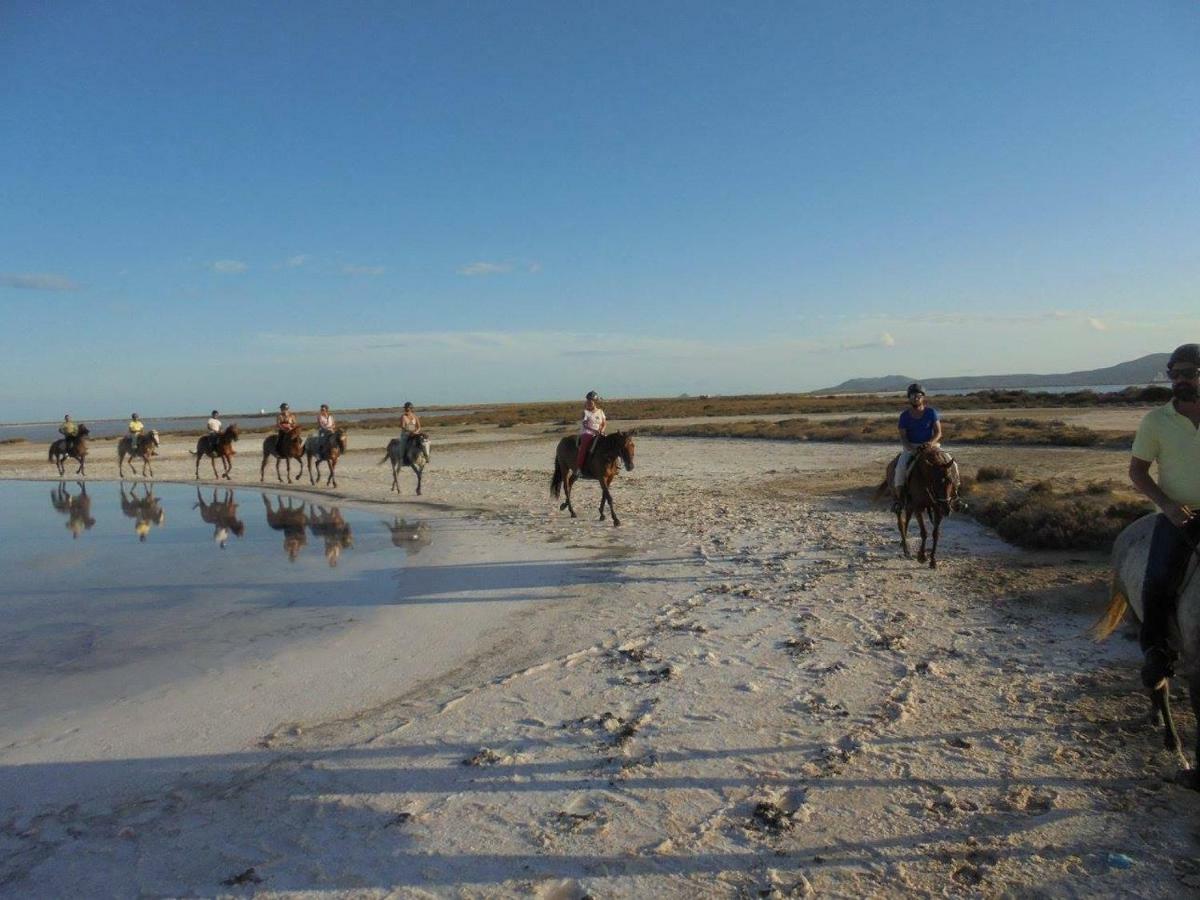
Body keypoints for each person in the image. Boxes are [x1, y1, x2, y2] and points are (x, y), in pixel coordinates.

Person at [1128, 343, 1200, 689]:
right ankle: (1158, 653)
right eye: (1174, 375)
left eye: (1188, 374)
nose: (1179, 381)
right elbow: (1138, 472)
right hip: (1178, 517)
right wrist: (1167, 505)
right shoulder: (1156, 421)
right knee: (1157, 578)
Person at [891, 383, 961, 513]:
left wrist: (930, 443)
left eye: (918, 396)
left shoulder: (931, 412)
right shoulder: (904, 416)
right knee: (900, 468)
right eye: (913, 396)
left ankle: (955, 495)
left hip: (931, 445)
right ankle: (899, 499)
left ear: (923, 397)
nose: (916, 398)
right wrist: (910, 448)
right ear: (909, 398)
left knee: (952, 462)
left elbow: (938, 432)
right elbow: (903, 437)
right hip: (912, 446)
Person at [576, 390, 607, 472]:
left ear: (595, 402)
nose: (589, 403)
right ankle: (579, 468)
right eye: (588, 401)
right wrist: (594, 431)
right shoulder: (585, 412)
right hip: (587, 432)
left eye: (591, 401)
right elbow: (585, 425)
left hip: (599, 432)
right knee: (584, 447)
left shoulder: (600, 412)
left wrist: (602, 430)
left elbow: (604, 423)